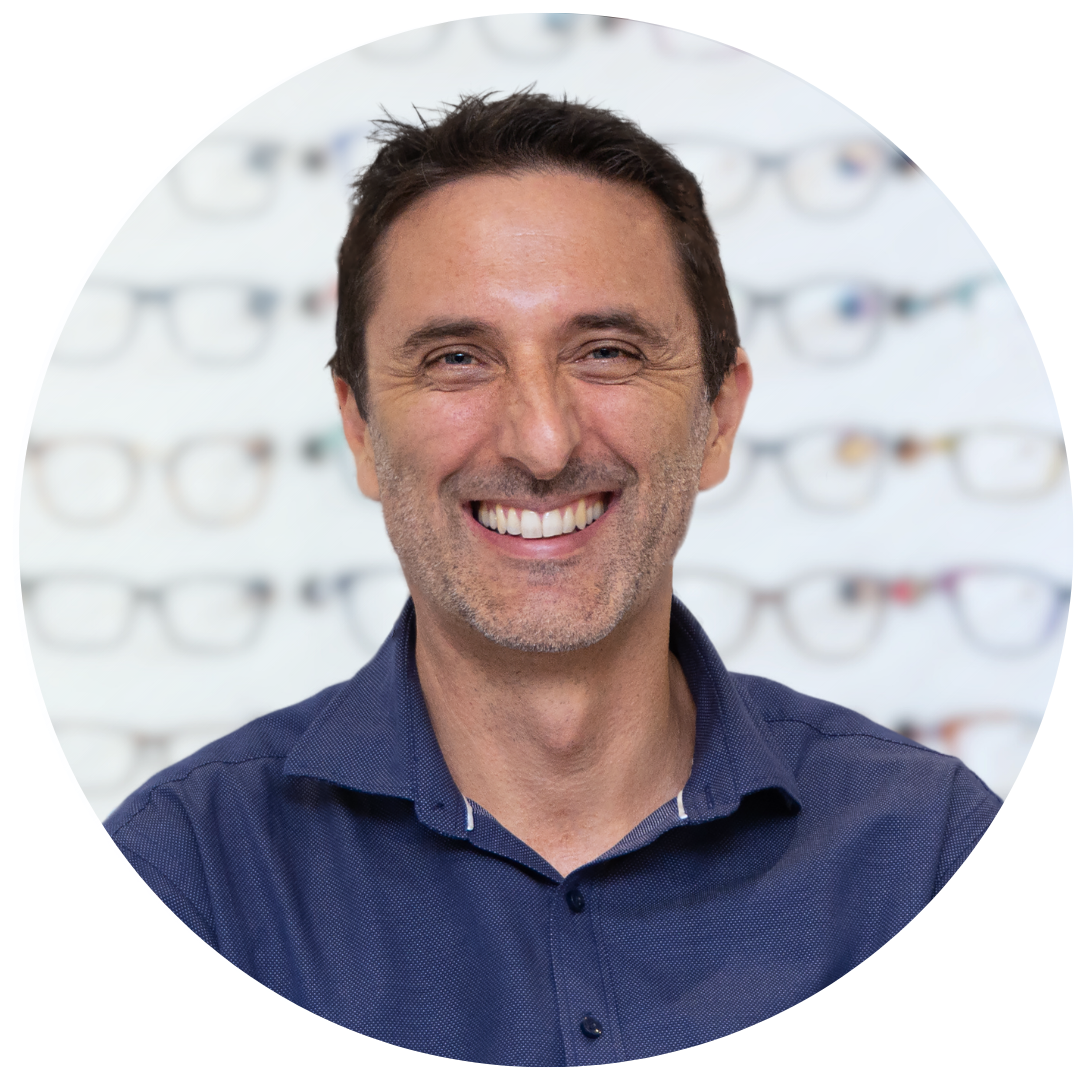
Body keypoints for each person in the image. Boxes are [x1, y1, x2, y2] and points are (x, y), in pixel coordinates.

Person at [105, 91, 1001, 1066]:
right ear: (359, 429)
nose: (542, 442)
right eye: (457, 359)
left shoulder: (932, 861)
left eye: (607, 353)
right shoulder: (186, 883)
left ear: (718, 416)